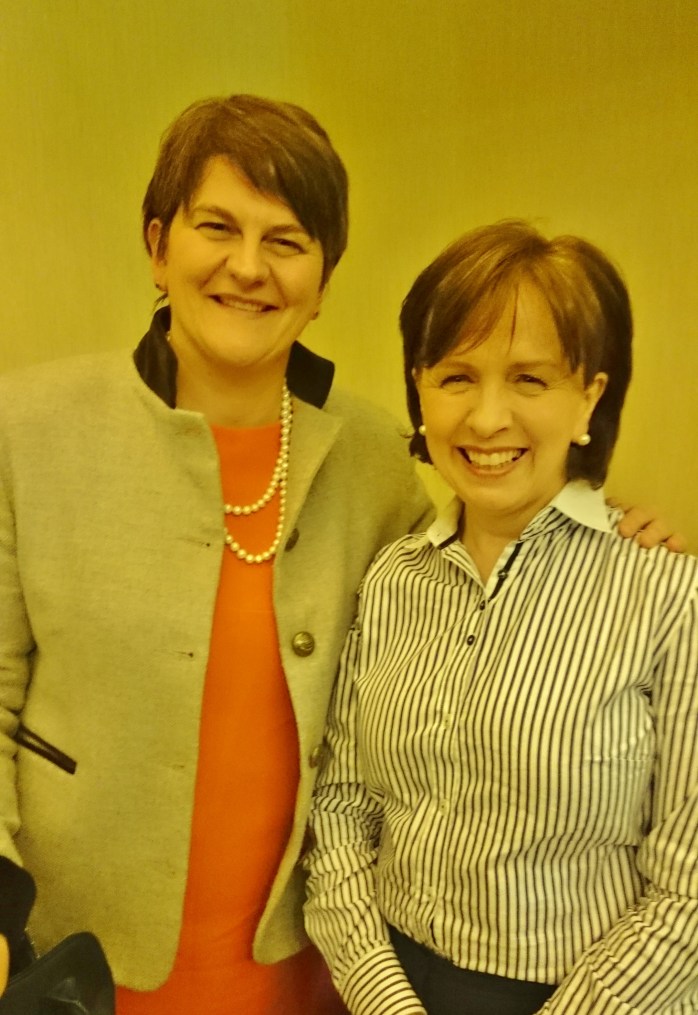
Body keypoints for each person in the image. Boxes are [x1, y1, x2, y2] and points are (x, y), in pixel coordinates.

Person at [0, 99, 682, 1013]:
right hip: (77, 955)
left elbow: (504, 552)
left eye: (286, 240)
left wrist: (613, 524)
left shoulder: (373, 462)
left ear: (322, 281)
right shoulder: (28, 430)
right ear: (159, 247)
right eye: (217, 227)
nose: (249, 266)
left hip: (310, 970)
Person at [304, 221, 698, 1014]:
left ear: (590, 395)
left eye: (530, 379)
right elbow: (342, 809)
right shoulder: (392, 579)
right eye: (457, 376)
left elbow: (688, 892)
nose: (487, 419)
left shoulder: (666, 596)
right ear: (420, 388)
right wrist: (386, 999)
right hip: (390, 985)